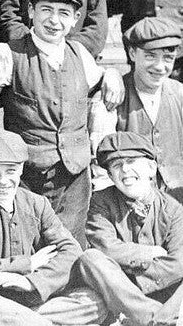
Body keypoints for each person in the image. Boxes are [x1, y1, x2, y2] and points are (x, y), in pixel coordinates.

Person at [0, 0, 121, 244]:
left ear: (75, 19)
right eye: (46, 10)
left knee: (71, 248)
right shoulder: (6, 54)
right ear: (31, 12)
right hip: (27, 176)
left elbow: (98, 94)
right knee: (29, 246)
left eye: (63, 13)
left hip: (75, 177)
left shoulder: (80, 53)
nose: (54, 21)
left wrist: (112, 73)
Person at [0, 129, 106, 326]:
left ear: (21, 169)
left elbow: (71, 250)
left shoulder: (37, 203)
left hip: (33, 300)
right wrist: (26, 264)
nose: (2, 181)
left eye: (10, 171)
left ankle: (20, 322)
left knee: (95, 300)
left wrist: (32, 282)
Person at [74, 132, 183, 326]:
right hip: (116, 287)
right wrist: (148, 252)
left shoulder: (173, 209)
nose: (125, 170)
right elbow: (105, 248)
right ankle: (158, 319)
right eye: (116, 165)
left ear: (151, 168)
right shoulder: (101, 202)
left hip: (152, 289)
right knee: (90, 258)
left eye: (131, 161)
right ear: (110, 176)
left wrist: (130, 280)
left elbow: (178, 262)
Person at [93, 17, 183, 201]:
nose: (160, 66)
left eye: (168, 58)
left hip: (177, 201)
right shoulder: (113, 96)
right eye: (150, 56)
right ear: (133, 54)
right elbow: (101, 166)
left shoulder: (179, 93)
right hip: (129, 202)